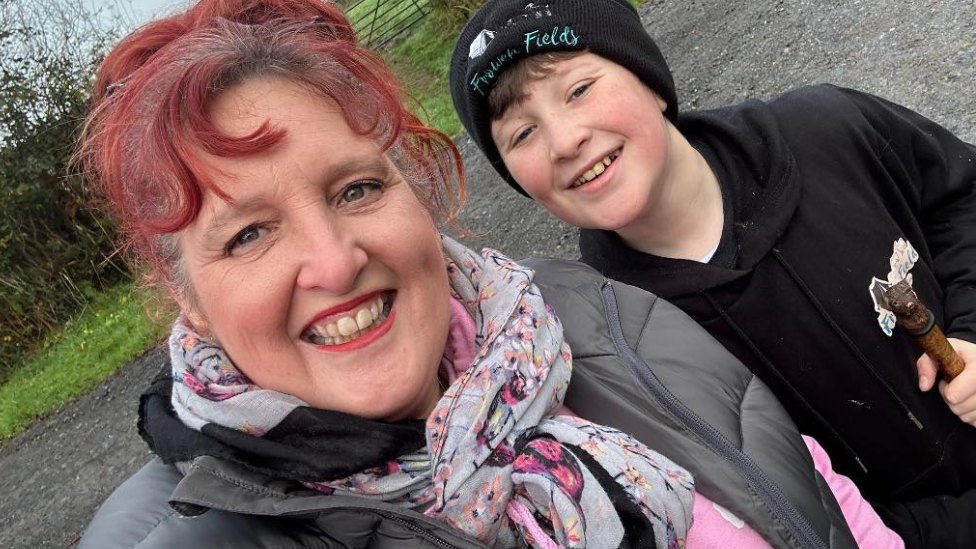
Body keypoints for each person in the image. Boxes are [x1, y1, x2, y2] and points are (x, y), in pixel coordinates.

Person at [76, 0, 903, 548]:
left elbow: (824, 501)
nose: (334, 261)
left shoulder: (596, 311)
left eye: (357, 187)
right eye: (250, 232)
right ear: (186, 298)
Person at [448, 1, 976, 546]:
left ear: (651, 82)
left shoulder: (830, 130)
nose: (564, 141)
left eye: (579, 89)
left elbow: (960, 196)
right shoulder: (615, 350)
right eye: (522, 135)